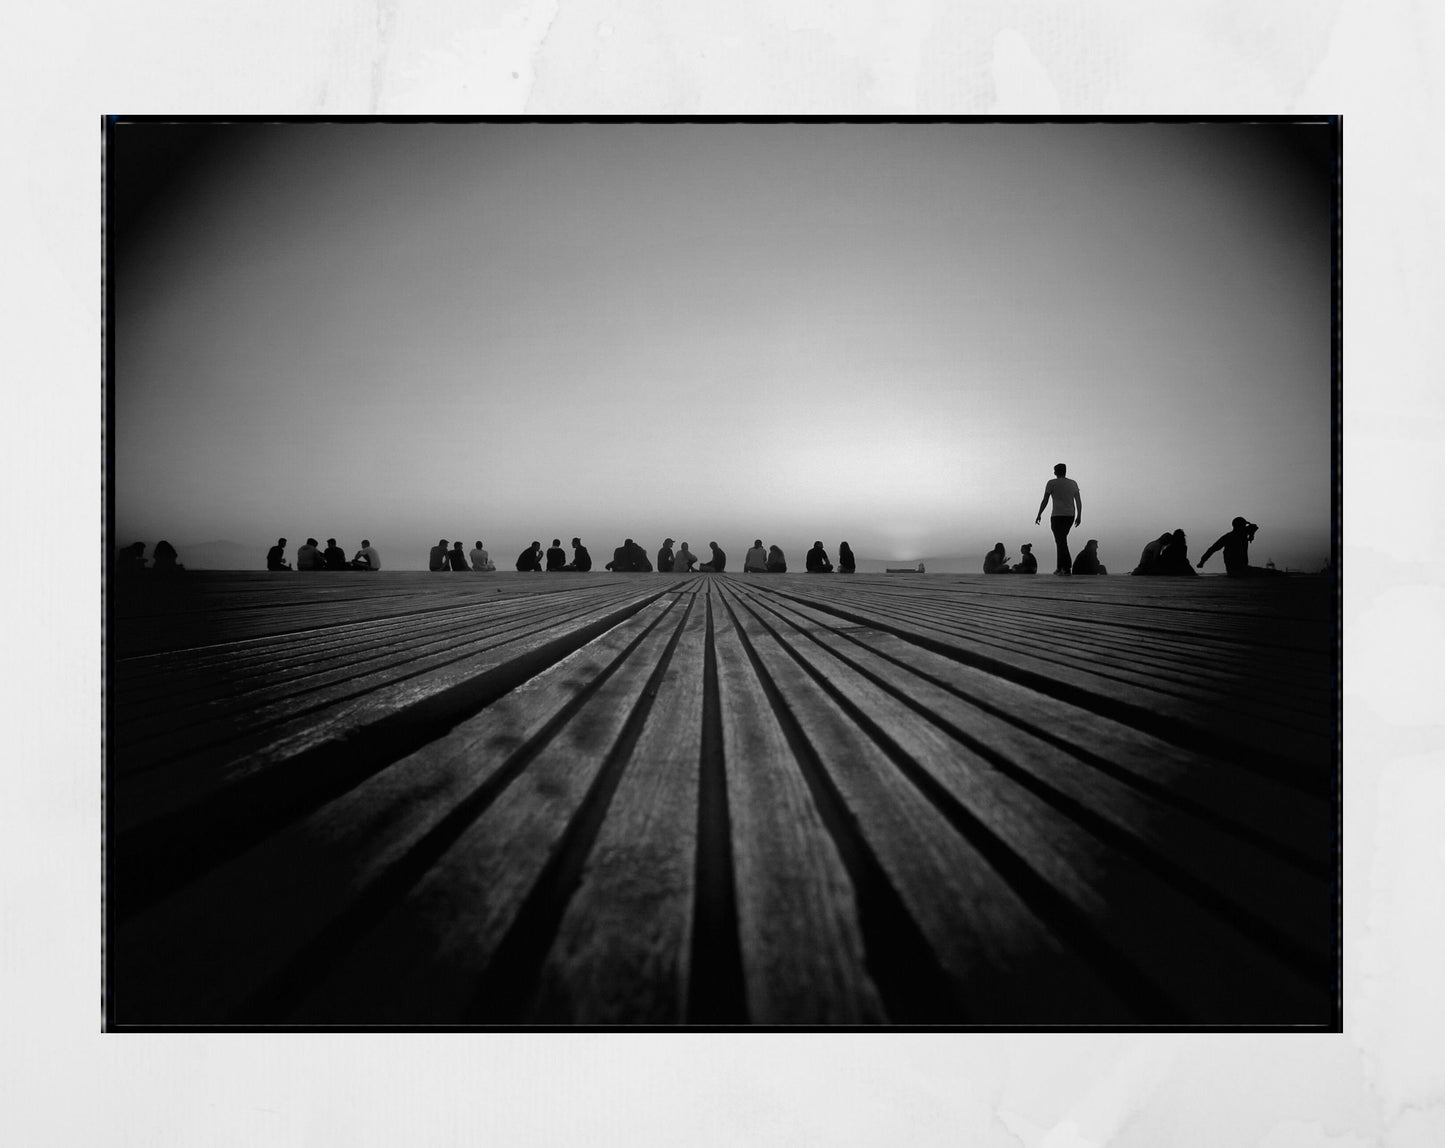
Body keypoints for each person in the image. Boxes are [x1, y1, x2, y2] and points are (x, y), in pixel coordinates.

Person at [1035, 462, 1082, 576]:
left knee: (1060, 541)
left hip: (1057, 516)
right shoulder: (1073, 483)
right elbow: (1078, 501)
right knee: (1060, 540)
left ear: (1056, 472)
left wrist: (1039, 513)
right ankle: (1060, 567)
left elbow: (1045, 500)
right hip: (1070, 516)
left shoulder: (1051, 483)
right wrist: (1079, 515)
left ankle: (1066, 568)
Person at [1198, 517, 1281, 577]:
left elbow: (1254, 527)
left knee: (1273, 573)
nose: (1245, 527)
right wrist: (1202, 562)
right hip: (1237, 570)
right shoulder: (1233, 536)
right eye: (1244, 525)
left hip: (1237, 569)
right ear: (1241, 526)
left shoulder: (1239, 534)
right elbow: (1212, 549)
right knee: (1275, 574)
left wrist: (1251, 534)